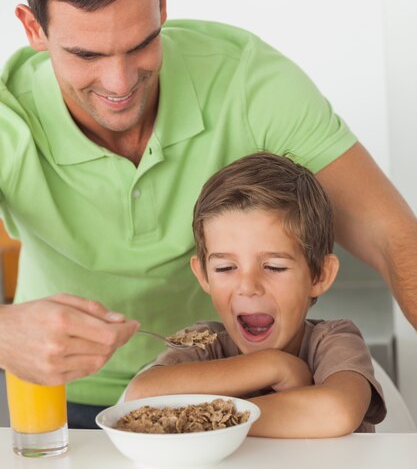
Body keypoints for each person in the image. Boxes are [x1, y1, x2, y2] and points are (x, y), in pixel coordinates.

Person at [0, 0, 415, 428]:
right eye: (86, 54)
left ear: (164, 4)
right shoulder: (9, 115)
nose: (119, 82)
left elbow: (394, 238)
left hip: (226, 397)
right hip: (59, 401)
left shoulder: (249, 82)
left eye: (141, 43)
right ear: (35, 29)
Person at [124, 152, 386, 436]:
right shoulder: (206, 344)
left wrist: (210, 422)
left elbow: (337, 411)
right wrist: (273, 366)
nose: (248, 286)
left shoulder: (335, 341)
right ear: (203, 275)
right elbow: (140, 395)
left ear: (319, 275)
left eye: (273, 266)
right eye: (225, 268)